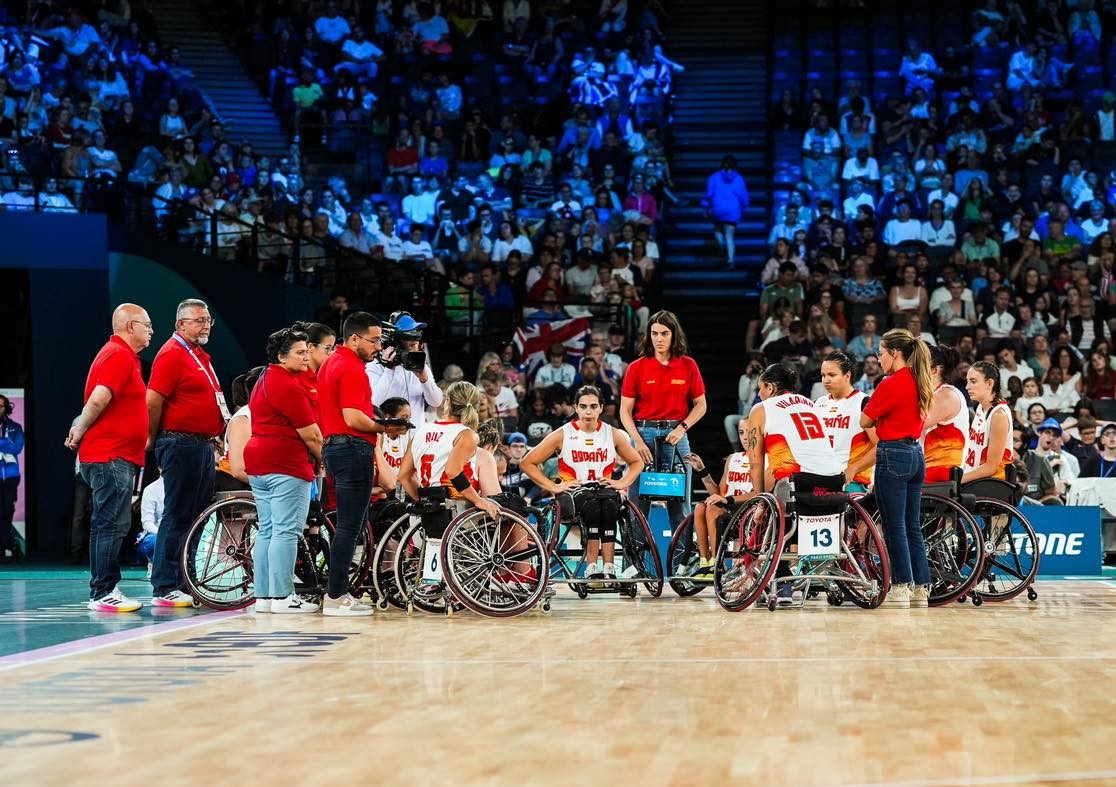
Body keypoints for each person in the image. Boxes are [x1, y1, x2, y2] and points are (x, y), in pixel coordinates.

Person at [64, 304, 154, 612]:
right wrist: (79, 429)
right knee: (109, 523)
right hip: (109, 455)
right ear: (130, 326)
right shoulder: (118, 355)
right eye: (147, 325)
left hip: (115, 455)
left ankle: (105, 588)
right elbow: (99, 398)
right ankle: (102, 592)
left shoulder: (123, 356)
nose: (151, 330)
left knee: (113, 523)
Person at [146, 299, 228, 609]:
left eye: (208, 320)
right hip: (180, 443)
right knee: (178, 514)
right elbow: (152, 401)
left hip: (200, 444)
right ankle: (165, 586)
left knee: (195, 518)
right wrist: (152, 438)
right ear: (181, 324)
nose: (206, 324)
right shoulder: (171, 354)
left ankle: (184, 581)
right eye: (199, 320)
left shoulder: (196, 355)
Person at [521, 385, 644, 582]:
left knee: (611, 504)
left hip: (603, 489)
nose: (588, 411)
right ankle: (592, 566)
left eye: (593, 406)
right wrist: (553, 487)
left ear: (601, 408)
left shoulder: (612, 433)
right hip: (574, 492)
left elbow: (637, 461)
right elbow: (527, 462)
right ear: (575, 408)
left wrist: (622, 482)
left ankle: (610, 567)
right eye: (584, 406)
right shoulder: (563, 433)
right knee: (593, 506)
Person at [744, 363, 842, 604]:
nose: (759, 394)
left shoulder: (761, 408)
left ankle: (783, 581)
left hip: (800, 482)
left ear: (770, 386)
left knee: (776, 500)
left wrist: (759, 501)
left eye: (760, 388)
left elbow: (755, 463)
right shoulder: (810, 403)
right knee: (786, 488)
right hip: (835, 479)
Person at [244, 328, 324, 614]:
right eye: (300, 353)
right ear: (281, 356)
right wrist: (324, 460)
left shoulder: (265, 378)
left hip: (259, 462)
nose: (306, 357)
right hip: (285, 463)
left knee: (268, 529)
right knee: (287, 532)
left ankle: (264, 597)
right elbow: (312, 435)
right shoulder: (288, 385)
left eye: (306, 351)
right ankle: (282, 596)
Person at [317, 311, 388, 616]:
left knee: (349, 525)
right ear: (355, 338)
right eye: (374, 341)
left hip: (336, 448)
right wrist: (387, 427)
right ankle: (336, 595)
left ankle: (338, 592)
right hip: (351, 447)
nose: (379, 348)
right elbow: (354, 417)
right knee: (348, 526)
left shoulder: (331, 363)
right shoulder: (350, 366)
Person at [860, 328, 934, 609]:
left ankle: (901, 585)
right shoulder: (921, 380)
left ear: (894, 353)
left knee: (894, 526)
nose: (879, 359)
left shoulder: (889, 384)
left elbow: (864, 421)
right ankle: (921, 587)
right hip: (916, 454)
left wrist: (881, 419)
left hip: (893, 454)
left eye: (881, 353)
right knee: (912, 525)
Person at [619, 311, 707, 538]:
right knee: (637, 507)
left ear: (673, 335)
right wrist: (637, 441)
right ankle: (634, 567)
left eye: (664, 333)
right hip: (643, 435)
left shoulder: (688, 365)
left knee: (680, 505)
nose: (659, 339)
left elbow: (701, 405)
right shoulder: (636, 367)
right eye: (654, 333)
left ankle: (682, 564)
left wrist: (682, 428)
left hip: (676, 436)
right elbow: (624, 411)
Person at [398, 381, 503, 520]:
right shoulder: (466, 434)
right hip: (459, 514)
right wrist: (478, 500)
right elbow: (453, 471)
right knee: (513, 505)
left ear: (447, 401)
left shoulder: (421, 430)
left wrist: (425, 501)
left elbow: (404, 476)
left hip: (427, 518)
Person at [685, 421, 754, 574]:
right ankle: (705, 561)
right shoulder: (733, 459)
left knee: (712, 509)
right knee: (700, 507)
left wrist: (727, 500)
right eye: (741, 432)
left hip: (749, 511)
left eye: (749, 431)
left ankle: (716, 564)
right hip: (728, 508)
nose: (744, 437)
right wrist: (702, 471)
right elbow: (718, 494)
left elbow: (759, 493)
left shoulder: (765, 459)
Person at [366, 311, 444, 430]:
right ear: (394, 341)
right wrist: (389, 370)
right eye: (411, 343)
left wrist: (424, 379)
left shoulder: (419, 364)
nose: (415, 346)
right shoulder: (375, 364)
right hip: (387, 437)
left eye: (416, 343)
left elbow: (436, 402)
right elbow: (373, 403)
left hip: (416, 440)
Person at [815, 351, 876, 492]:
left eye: (832, 375)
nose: (826, 380)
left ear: (847, 376)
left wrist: (853, 469)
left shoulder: (863, 402)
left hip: (853, 482)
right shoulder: (818, 403)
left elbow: (881, 446)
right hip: (822, 479)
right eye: (823, 375)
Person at [922, 345, 969, 483]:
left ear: (934, 371)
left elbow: (912, 425)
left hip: (943, 472)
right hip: (931, 468)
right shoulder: (934, 394)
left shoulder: (946, 394)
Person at [962, 361, 1014, 484]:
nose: (967, 387)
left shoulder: (999, 415)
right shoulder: (980, 406)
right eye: (967, 381)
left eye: (973, 381)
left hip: (990, 483)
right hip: (974, 477)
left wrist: (958, 480)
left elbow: (991, 467)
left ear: (989, 383)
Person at [702, 155, 750, 268]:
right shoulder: (739, 178)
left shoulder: (714, 177)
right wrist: (744, 207)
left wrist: (705, 206)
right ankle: (730, 260)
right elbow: (743, 197)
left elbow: (709, 194)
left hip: (717, 208)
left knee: (718, 231)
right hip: (733, 210)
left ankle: (720, 247)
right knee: (730, 237)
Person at [0, 393, 24, 562]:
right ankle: (9, 544)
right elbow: (11, 445)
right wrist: (6, 444)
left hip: (11, 476)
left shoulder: (15, 427)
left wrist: (3, 443)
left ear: (6, 408)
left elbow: (17, 448)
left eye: (1, 406)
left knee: (8, 510)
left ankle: (7, 543)